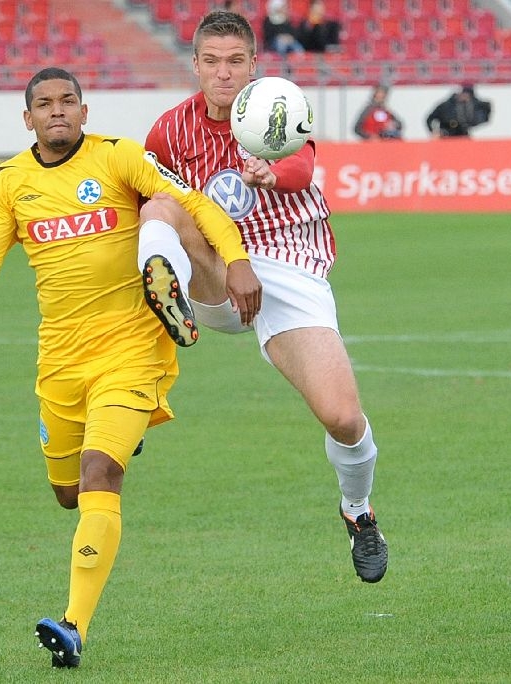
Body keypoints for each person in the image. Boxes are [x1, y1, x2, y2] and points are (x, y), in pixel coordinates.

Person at [0, 67, 261, 669]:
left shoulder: (118, 157)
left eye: (68, 101)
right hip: (61, 361)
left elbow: (194, 204)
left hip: (132, 348)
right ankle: (124, 433)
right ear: (28, 119)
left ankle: (74, 626)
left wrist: (236, 261)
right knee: (67, 493)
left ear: (84, 111)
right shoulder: (8, 183)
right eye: (45, 104)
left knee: (101, 473)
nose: (58, 110)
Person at [141, 10, 389, 584]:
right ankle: (136, 389)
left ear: (254, 64)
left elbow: (301, 164)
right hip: (217, 265)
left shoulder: (274, 104)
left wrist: (271, 175)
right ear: (195, 65)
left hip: (287, 263)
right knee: (157, 207)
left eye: (235, 61)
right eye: (211, 61)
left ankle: (358, 510)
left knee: (343, 418)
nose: (223, 73)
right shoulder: (169, 131)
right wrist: (231, 260)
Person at [425, 84, 492, 138]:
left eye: (469, 96)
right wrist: (434, 131)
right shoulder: (445, 106)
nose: (466, 98)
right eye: (465, 95)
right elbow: (430, 118)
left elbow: (485, 108)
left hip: (463, 134)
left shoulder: (470, 105)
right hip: (447, 135)